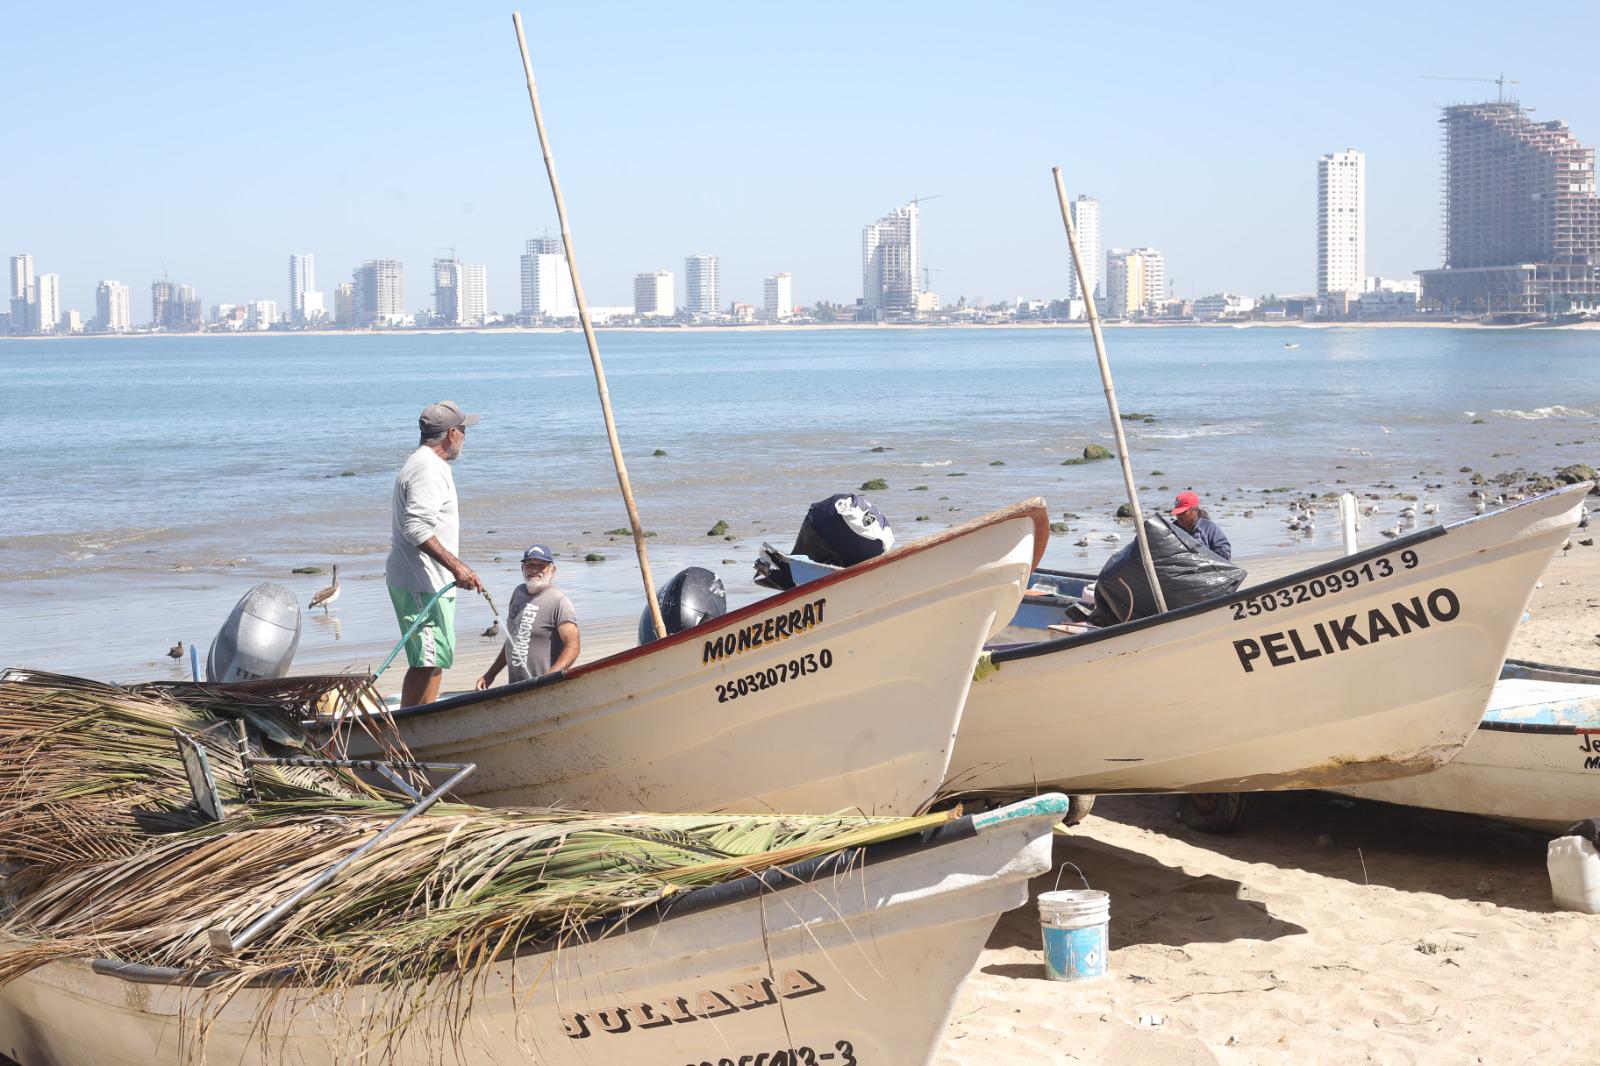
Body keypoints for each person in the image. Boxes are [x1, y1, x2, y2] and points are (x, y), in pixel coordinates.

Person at [386, 400, 484, 708]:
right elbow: (416, 529)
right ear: (451, 434)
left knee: (438, 657)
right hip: (419, 582)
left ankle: (425, 719)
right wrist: (458, 568)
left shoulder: (431, 465)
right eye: (464, 430)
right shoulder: (426, 469)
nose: (466, 437)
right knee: (426, 660)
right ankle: (408, 730)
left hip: (433, 582)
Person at [477, 544, 580, 689]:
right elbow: (512, 640)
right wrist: (490, 674)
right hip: (516, 688)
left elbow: (573, 647)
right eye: (529, 564)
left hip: (546, 689)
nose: (534, 569)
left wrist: (547, 679)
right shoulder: (518, 593)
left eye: (541, 565)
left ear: (553, 570)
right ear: (522, 568)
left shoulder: (560, 602)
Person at [1170, 490, 1232, 561]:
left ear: (1195, 510)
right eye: (1177, 513)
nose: (1179, 516)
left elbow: (1224, 551)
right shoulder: (1173, 530)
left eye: (1183, 512)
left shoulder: (1209, 528)